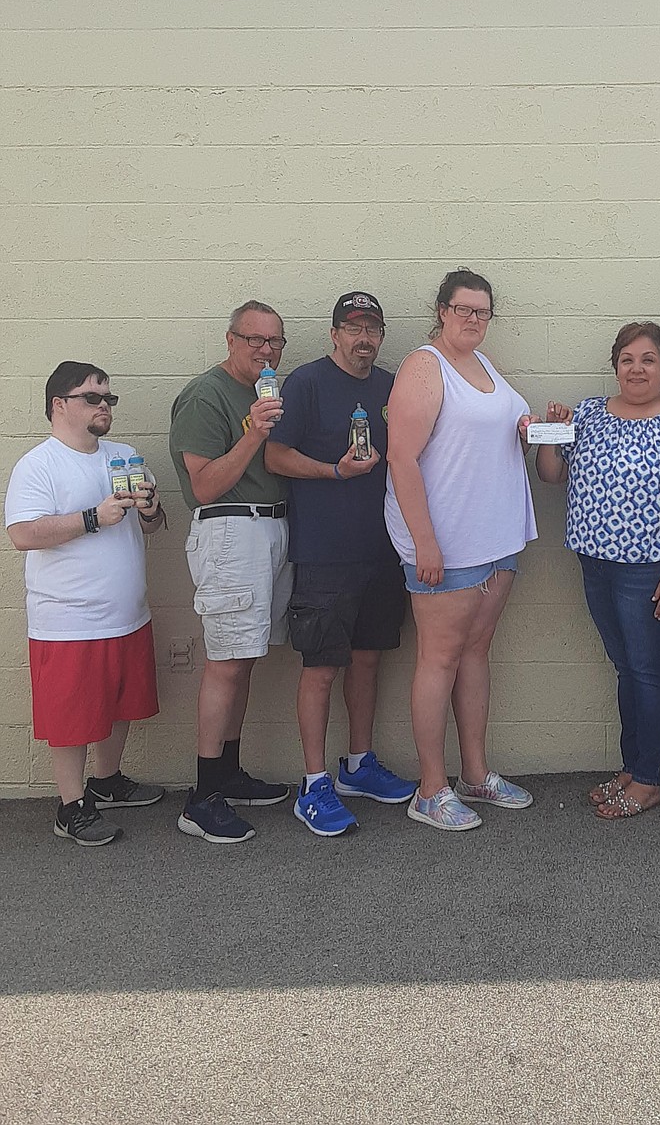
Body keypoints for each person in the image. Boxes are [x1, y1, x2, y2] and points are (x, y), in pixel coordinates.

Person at [536, 323, 660, 819]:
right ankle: (632, 766)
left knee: (648, 670)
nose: (636, 369)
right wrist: (551, 436)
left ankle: (648, 779)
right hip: (595, 563)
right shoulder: (592, 412)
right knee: (626, 670)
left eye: (648, 360)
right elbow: (552, 476)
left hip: (651, 570)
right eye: (627, 359)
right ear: (615, 365)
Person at [385, 269, 537, 831]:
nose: (473, 319)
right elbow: (401, 458)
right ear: (442, 310)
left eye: (483, 311)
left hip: (495, 540)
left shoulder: (483, 363)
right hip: (446, 547)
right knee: (440, 659)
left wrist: (526, 430)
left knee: (475, 654)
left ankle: (475, 773)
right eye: (463, 309)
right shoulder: (426, 365)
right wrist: (425, 540)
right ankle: (430, 789)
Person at [265, 292, 416, 837]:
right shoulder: (306, 383)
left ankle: (358, 764)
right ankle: (314, 783)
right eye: (354, 328)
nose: (364, 339)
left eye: (373, 329)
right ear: (334, 333)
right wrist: (335, 472)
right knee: (322, 667)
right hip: (325, 550)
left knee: (369, 660)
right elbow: (275, 456)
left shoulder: (390, 386)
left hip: (382, 548)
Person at [5, 362, 165, 845]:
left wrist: (153, 509)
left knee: (120, 704)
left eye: (109, 399)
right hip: (69, 620)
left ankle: (107, 781)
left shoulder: (125, 454)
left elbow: (155, 525)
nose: (103, 407)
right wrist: (92, 518)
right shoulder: (39, 464)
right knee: (72, 718)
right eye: (92, 398)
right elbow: (23, 534)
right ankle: (70, 806)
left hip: (128, 614)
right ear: (60, 405)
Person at [169, 300, 293, 844]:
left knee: (246, 657)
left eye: (274, 342)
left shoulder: (260, 394)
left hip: (269, 529)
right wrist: (253, 435)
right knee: (225, 661)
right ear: (230, 340)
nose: (265, 350)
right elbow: (203, 487)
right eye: (255, 340)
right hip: (230, 530)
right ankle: (202, 797)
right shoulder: (206, 395)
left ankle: (230, 774)